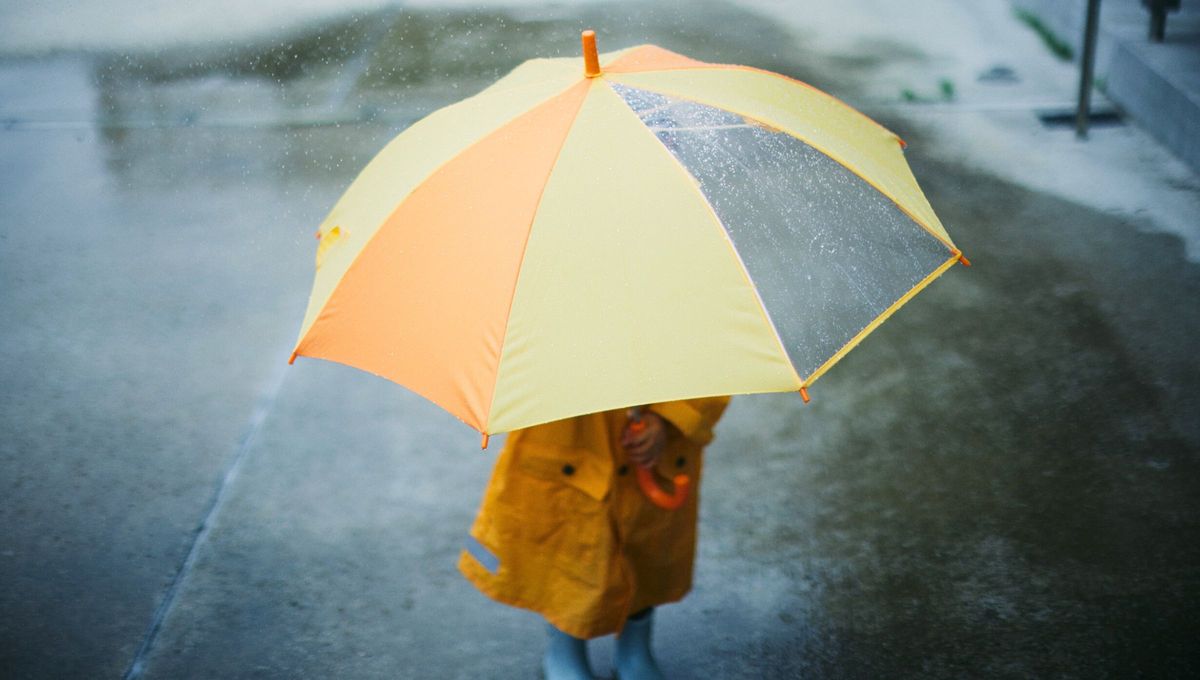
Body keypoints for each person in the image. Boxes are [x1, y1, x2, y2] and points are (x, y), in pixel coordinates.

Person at [458, 398, 730, 680]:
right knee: (567, 554)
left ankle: (634, 651)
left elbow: (717, 361)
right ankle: (565, 650)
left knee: (647, 547)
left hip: (657, 446)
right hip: (566, 443)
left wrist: (673, 417)